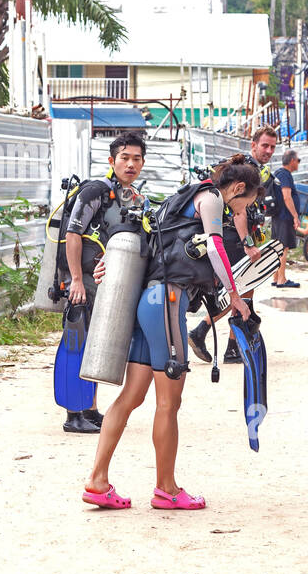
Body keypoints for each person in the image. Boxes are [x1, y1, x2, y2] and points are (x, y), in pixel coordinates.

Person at [82, 155, 260, 510]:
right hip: (168, 301)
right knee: (169, 401)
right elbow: (214, 245)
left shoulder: (181, 199)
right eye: (244, 205)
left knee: (131, 397)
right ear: (238, 189)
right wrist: (237, 297)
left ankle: (98, 482)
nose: (240, 212)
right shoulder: (210, 198)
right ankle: (167, 488)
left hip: (150, 301)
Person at [56, 132, 147, 433]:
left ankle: (90, 409)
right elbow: (72, 234)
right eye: (125, 158)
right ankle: (74, 413)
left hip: (103, 283)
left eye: (136, 158)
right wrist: (76, 281)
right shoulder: (95, 191)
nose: (130, 164)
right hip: (83, 282)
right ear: (112, 160)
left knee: (98, 345)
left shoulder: (130, 196)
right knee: (79, 344)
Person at [187, 125, 278, 363]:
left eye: (272, 147)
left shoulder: (257, 170)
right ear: (253, 145)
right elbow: (239, 212)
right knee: (237, 290)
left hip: (237, 236)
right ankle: (202, 331)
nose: (268, 150)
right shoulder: (246, 170)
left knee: (246, 290)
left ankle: (232, 346)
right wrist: (247, 243)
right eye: (264, 145)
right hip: (233, 237)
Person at [270, 149, 301, 288]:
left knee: (278, 248)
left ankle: (276, 277)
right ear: (292, 160)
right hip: (284, 216)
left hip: (278, 216)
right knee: (283, 248)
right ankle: (282, 279)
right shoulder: (285, 175)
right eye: (298, 160)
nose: (299, 163)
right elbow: (287, 197)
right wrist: (295, 216)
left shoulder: (278, 173)